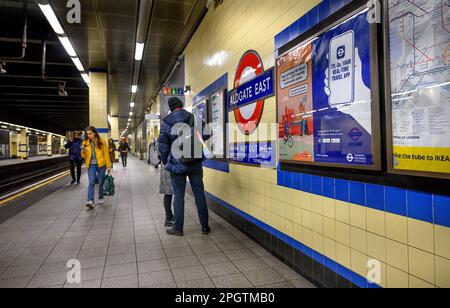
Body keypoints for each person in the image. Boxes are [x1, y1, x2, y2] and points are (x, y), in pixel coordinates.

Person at [158, 97, 210, 237]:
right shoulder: (193, 117)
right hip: (195, 162)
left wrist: (165, 160)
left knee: (179, 196)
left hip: (177, 165)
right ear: (181, 105)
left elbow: (163, 146)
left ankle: (178, 228)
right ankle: (205, 226)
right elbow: (207, 132)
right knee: (199, 194)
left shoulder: (166, 122)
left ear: (170, 108)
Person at [81, 126, 112, 210]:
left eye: (90, 133)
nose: (89, 135)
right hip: (91, 165)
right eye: (87, 134)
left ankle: (101, 196)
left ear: (95, 133)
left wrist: (108, 165)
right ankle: (90, 200)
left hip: (101, 165)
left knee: (101, 182)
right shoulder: (85, 143)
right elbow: (84, 156)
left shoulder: (102, 141)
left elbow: (106, 153)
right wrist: (83, 151)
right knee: (91, 183)